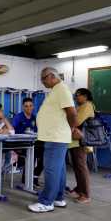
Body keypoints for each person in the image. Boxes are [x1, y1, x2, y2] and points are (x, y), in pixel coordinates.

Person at [28, 67, 77, 213]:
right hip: (54, 136)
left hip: (56, 137)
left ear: (51, 76)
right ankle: (58, 198)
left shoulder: (61, 89)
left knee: (51, 170)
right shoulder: (56, 90)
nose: (42, 81)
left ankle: (46, 202)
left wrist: (72, 128)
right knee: (59, 171)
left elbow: (72, 113)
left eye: (43, 78)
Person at [67, 88, 95, 204]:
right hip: (75, 140)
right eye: (75, 95)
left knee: (81, 167)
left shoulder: (87, 105)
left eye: (78, 95)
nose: (76, 97)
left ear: (86, 96)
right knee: (77, 167)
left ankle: (86, 194)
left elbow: (77, 121)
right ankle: (79, 189)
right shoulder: (80, 106)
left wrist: (69, 117)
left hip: (81, 141)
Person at [12, 98, 44, 187]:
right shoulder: (18, 117)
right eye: (26, 106)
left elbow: (38, 131)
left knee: (46, 154)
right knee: (32, 153)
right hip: (19, 144)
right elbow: (12, 129)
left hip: (32, 143)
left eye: (30, 106)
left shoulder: (35, 117)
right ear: (23, 107)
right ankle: (26, 179)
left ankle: (35, 176)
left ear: (33, 107)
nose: (28, 108)